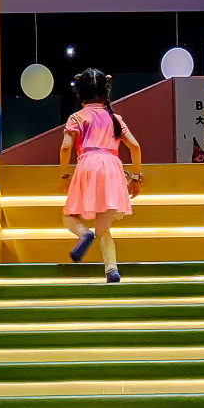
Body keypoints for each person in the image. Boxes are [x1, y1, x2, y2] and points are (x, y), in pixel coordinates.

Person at [59, 68, 143, 281]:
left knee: (69, 215)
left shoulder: (77, 117)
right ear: (106, 92)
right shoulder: (115, 119)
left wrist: (64, 174)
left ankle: (84, 234)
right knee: (103, 227)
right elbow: (135, 146)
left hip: (88, 164)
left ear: (80, 92)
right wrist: (136, 178)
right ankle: (111, 269)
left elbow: (66, 147)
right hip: (112, 168)